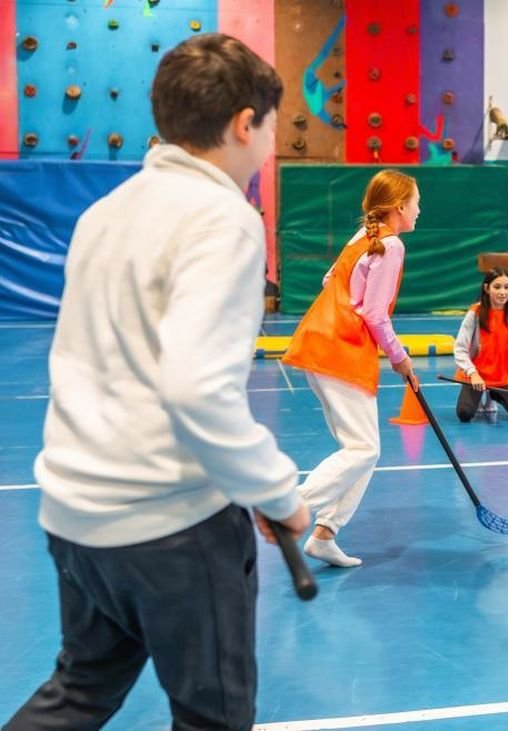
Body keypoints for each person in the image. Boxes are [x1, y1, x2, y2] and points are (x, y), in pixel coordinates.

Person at [7, 33, 309, 730]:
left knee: (80, 690)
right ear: (245, 122)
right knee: (213, 717)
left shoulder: (104, 212)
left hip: (74, 514)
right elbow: (198, 387)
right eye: (269, 127)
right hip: (168, 531)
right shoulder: (224, 220)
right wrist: (275, 490)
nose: (268, 144)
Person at [282, 169, 420, 568]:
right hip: (341, 352)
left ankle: (325, 534)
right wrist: (399, 356)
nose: (419, 211)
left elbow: (330, 280)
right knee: (363, 449)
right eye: (416, 203)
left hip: (319, 345)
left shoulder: (361, 238)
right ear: (398, 208)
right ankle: (289, 509)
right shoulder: (390, 246)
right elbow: (374, 313)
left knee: (363, 450)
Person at [452, 267, 508, 422]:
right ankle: (480, 393)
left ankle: (494, 394)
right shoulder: (475, 313)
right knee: (464, 413)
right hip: (476, 377)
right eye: (497, 287)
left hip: (502, 377)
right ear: (487, 288)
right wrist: (472, 374)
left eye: (507, 287)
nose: (502, 292)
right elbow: (460, 348)